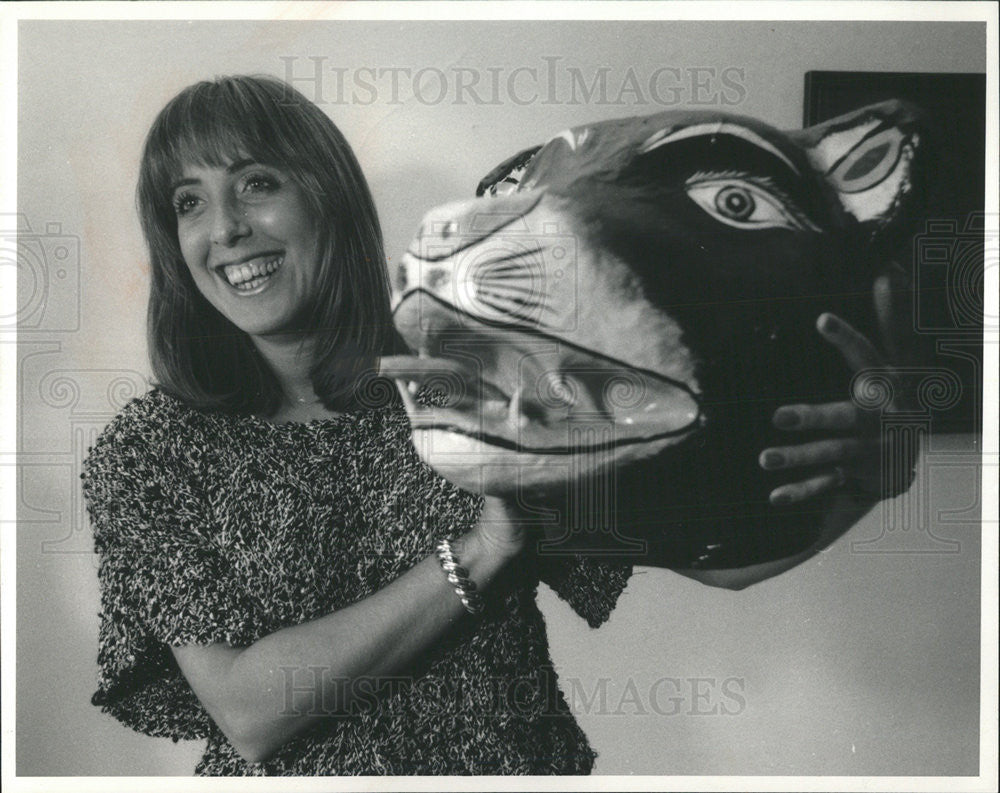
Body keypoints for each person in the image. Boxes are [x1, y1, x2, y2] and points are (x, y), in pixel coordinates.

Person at [81, 75, 907, 776]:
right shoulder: (147, 453)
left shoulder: (481, 371)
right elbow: (249, 712)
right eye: (189, 202)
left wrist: (877, 474)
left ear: (326, 195)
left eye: (257, 183)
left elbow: (718, 561)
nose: (223, 227)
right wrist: (483, 548)